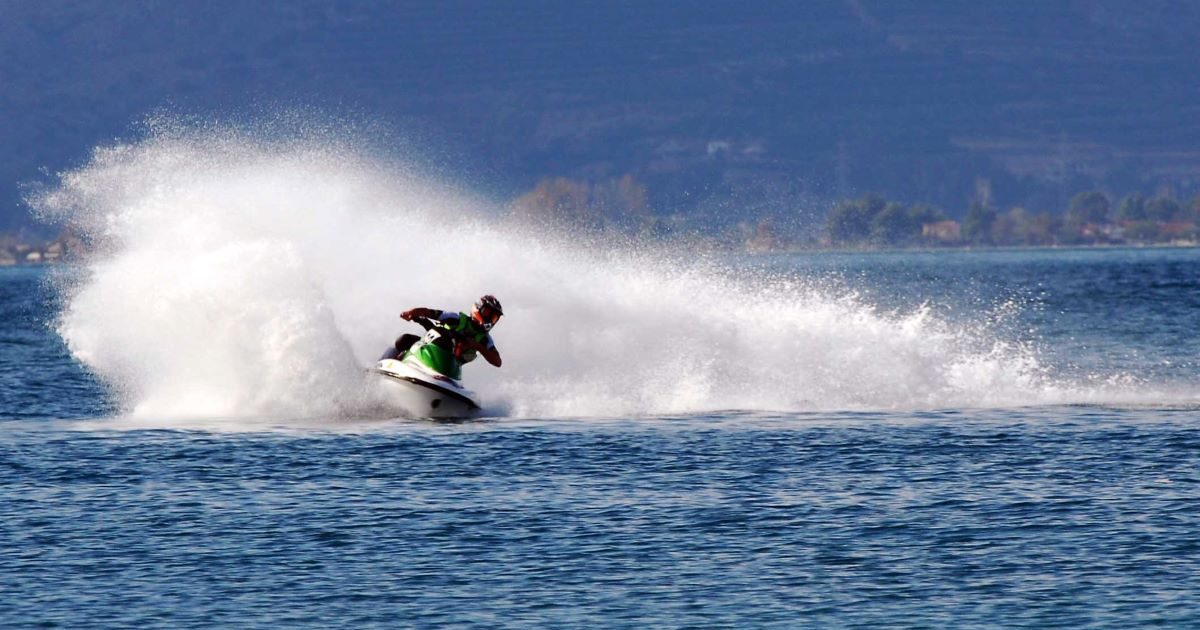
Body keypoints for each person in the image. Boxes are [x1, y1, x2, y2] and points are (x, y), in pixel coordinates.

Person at [394, 295, 503, 380]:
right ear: (478, 309)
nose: (490, 319)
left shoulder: (485, 339)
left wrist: (477, 346)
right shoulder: (456, 318)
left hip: (450, 369)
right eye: (488, 313)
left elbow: (497, 362)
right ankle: (393, 363)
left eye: (494, 317)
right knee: (403, 340)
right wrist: (411, 312)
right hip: (428, 350)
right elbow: (431, 312)